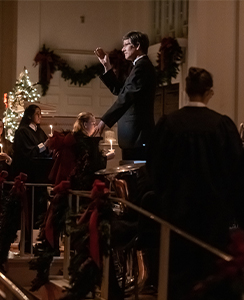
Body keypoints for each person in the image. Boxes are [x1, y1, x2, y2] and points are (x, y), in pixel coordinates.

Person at [147, 67, 244, 300]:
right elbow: (236, 172)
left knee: (178, 278)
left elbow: (155, 168)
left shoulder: (168, 125)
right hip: (214, 217)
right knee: (211, 276)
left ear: (186, 90)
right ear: (209, 92)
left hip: (176, 215)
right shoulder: (222, 126)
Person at [94, 31, 156, 161]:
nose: (123, 49)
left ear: (137, 46)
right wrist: (107, 67)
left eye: (126, 45)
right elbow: (121, 91)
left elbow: (126, 97)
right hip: (133, 137)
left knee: (136, 176)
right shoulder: (137, 66)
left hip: (138, 136)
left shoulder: (143, 66)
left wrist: (104, 120)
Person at [48, 112, 114, 189]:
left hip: (70, 179)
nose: (95, 127)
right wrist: (106, 157)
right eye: (93, 123)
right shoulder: (84, 142)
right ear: (85, 124)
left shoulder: (73, 138)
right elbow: (90, 164)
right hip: (81, 182)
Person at [12, 104, 51, 183]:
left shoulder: (40, 131)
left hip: (40, 170)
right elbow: (27, 151)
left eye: (40, 114)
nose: (40, 116)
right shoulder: (22, 132)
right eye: (37, 114)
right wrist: (44, 145)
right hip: (28, 170)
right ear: (29, 116)